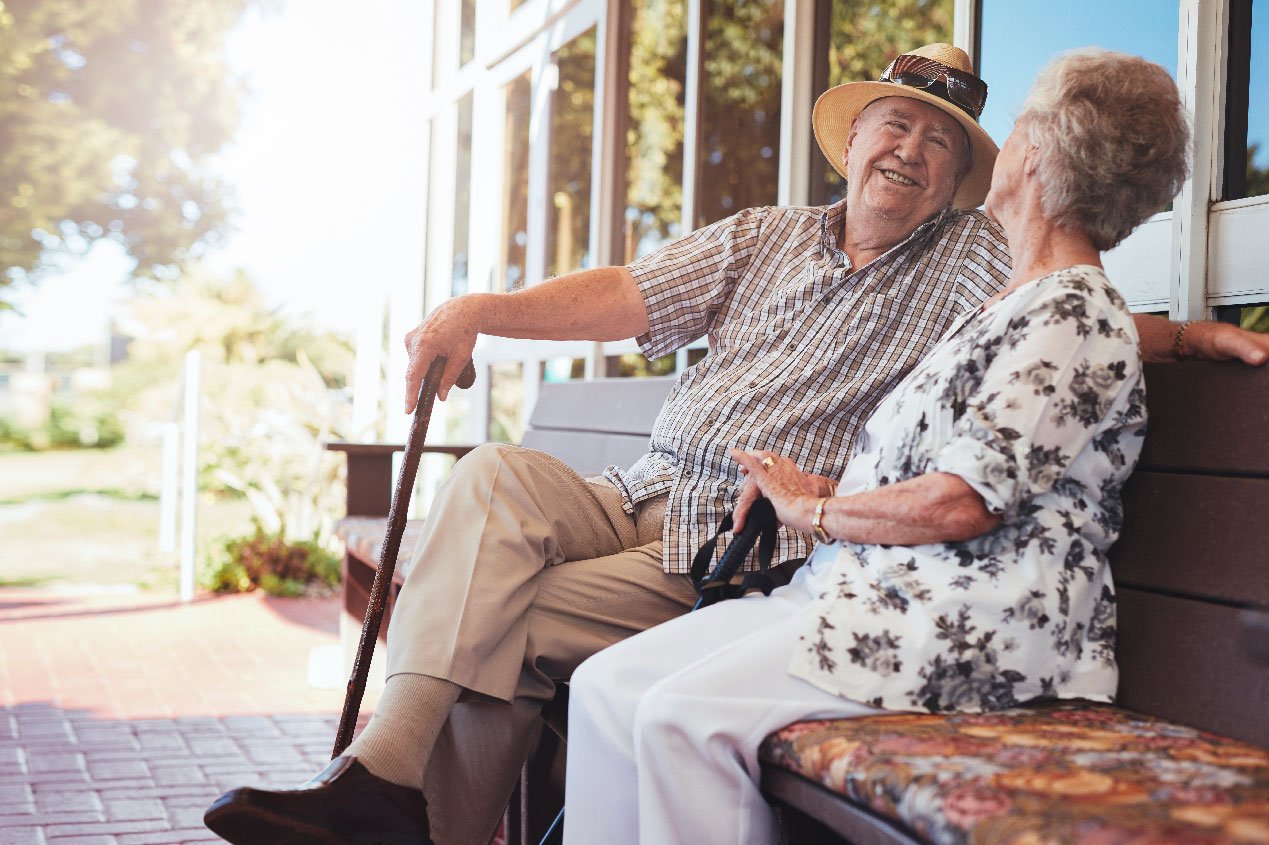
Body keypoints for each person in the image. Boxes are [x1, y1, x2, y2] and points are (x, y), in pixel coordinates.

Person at [204, 40, 1269, 845]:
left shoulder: (965, 265)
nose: (910, 150)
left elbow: (1059, 319)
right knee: (490, 479)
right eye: (895, 126)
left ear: (961, 179)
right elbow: (627, 295)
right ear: (852, 139)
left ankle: (389, 799)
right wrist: (479, 309)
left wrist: (1184, 332)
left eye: (940, 142)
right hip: (629, 489)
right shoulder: (763, 236)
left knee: (498, 624)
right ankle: (385, 785)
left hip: (728, 543)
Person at [563, 47, 1192, 845]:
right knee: (606, 685)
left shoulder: (1072, 311)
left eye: (1020, 126)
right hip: (868, 588)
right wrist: (822, 486)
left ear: (1036, 154)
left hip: (965, 619)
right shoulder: (1016, 302)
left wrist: (818, 508)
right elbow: (945, 466)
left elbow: (963, 500)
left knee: (682, 718)